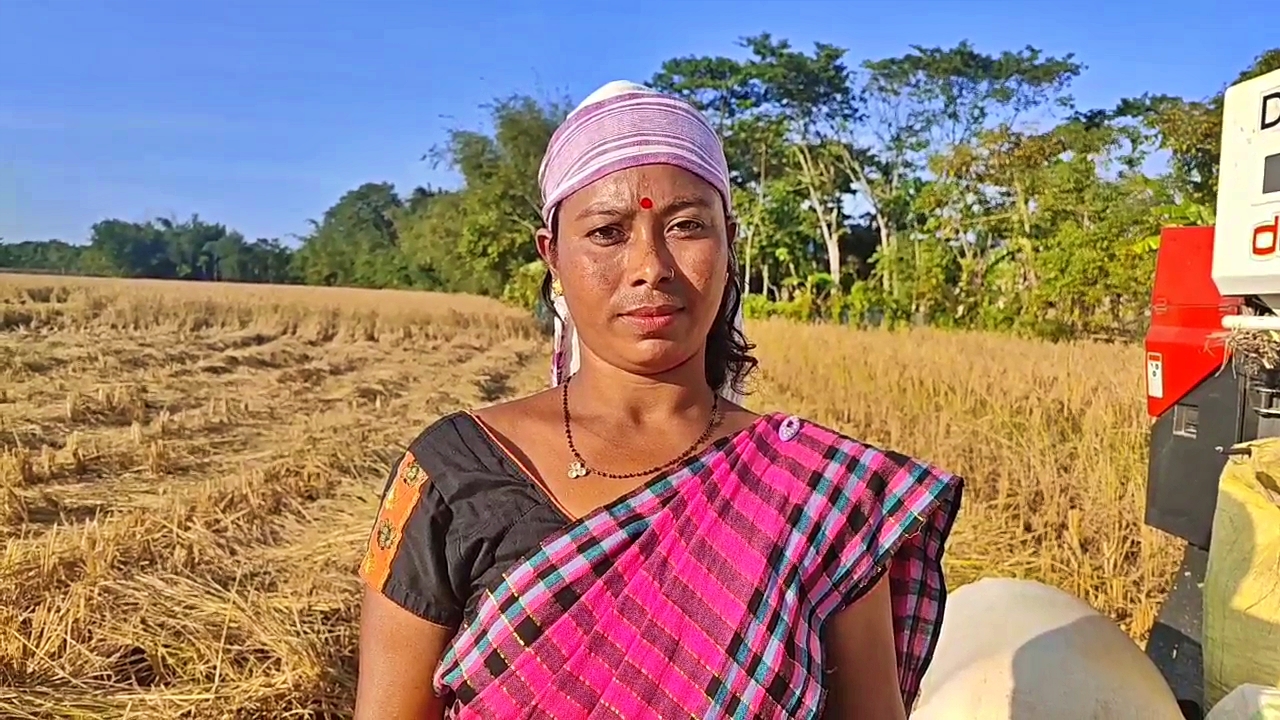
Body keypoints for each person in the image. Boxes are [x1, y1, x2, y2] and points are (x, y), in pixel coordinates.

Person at [354, 80, 964, 720]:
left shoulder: (821, 495)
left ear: (729, 245)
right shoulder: (450, 473)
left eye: (686, 226)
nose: (651, 266)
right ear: (552, 256)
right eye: (608, 232)